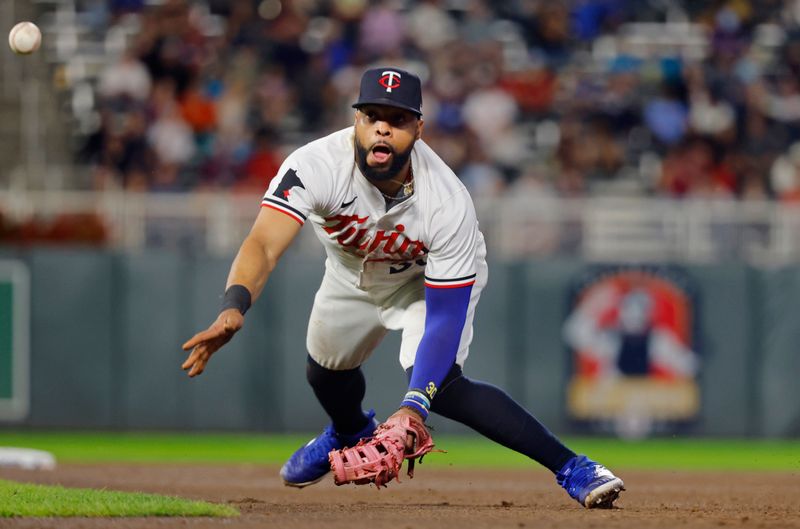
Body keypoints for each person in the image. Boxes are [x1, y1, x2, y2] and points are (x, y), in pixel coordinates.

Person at [181, 67, 625, 508]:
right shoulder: (314, 165)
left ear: (418, 129)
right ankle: (349, 429)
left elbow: (446, 317)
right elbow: (263, 242)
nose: (382, 127)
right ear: (355, 120)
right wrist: (234, 304)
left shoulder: (447, 199)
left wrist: (414, 406)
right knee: (324, 370)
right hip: (350, 275)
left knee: (444, 385)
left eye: (396, 119)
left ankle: (574, 467)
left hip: (422, 282)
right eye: (372, 114)